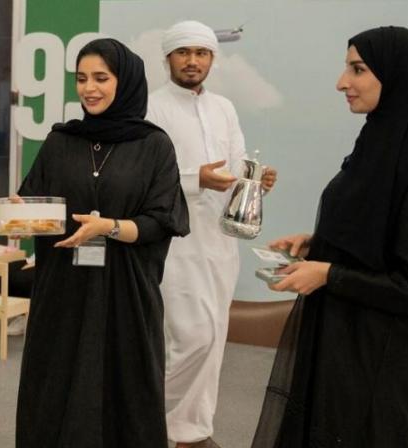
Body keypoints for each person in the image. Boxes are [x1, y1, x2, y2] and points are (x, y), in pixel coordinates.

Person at [250, 26, 408, 448]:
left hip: (378, 363)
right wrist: (318, 244)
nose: (341, 82)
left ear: (395, 77)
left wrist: (329, 274)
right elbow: (375, 235)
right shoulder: (373, 148)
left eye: (358, 69)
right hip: (336, 343)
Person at [15, 38, 190, 447]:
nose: (89, 88)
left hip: (126, 291)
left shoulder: (154, 146)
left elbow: (161, 222)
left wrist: (108, 227)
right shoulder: (61, 141)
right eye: (81, 79)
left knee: (123, 386)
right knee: (55, 384)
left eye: (100, 78)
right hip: (62, 288)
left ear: (123, 81)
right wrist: (23, 217)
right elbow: (37, 202)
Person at [145, 21, 277, 448]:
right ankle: (142, 419)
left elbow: (237, 163)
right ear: (168, 58)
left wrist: (256, 179)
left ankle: (193, 432)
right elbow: (147, 176)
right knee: (190, 339)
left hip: (220, 241)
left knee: (214, 339)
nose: (192, 61)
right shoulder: (153, 108)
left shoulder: (224, 108)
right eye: (183, 52)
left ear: (211, 60)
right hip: (176, 241)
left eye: (200, 53)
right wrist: (194, 178)